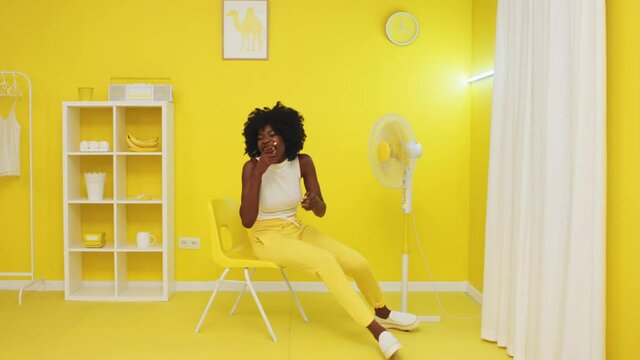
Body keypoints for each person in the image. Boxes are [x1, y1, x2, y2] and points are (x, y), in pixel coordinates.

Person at [240, 102, 418, 359]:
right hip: (266, 237)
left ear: (287, 135)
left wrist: (314, 202)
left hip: (297, 228)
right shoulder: (251, 168)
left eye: (272, 134)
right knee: (326, 262)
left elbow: (321, 210)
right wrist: (259, 172)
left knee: (357, 262)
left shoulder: (302, 162)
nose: (266, 141)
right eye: (260, 137)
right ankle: (377, 331)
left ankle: (383, 311)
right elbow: (246, 220)